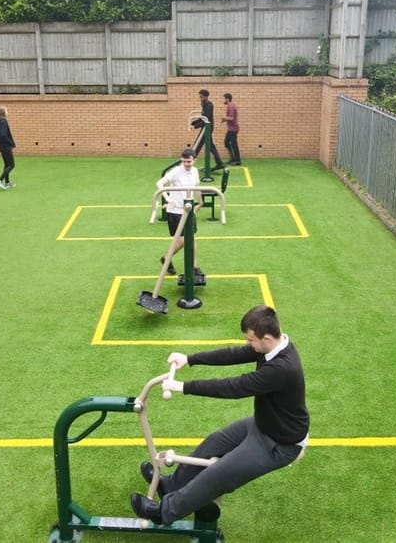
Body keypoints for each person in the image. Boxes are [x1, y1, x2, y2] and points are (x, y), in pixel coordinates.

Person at [130, 305, 309, 525]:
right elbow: (232, 354)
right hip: (264, 424)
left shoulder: (282, 368)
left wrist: (183, 386)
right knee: (213, 443)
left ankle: (164, 512)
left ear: (268, 337)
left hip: (279, 443)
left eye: (251, 340)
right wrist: (190, 358)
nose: (248, 344)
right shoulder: (273, 346)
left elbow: (234, 387)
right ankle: (171, 485)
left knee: (219, 474)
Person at [156, 148, 202, 276]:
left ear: (194, 160)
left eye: (188, 161)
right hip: (175, 211)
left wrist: (201, 202)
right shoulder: (176, 171)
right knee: (183, 240)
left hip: (189, 209)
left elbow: (196, 187)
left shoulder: (195, 171)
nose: (186, 164)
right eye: (184, 161)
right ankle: (166, 257)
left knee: (192, 238)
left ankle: (194, 267)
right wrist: (167, 198)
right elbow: (160, 183)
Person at [192, 89, 225, 171]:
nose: (200, 98)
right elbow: (202, 118)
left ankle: (189, 162)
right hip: (205, 127)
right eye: (199, 96)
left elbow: (205, 119)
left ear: (206, 97)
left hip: (207, 127)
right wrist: (193, 123)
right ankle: (219, 163)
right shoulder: (204, 105)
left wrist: (195, 126)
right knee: (210, 146)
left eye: (201, 97)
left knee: (198, 145)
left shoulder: (209, 105)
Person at [0, 105, 16, 189]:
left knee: (7, 164)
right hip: (5, 146)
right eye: (6, 110)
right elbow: (3, 134)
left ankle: (7, 182)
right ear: (3, 112)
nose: (7, 112)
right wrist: (10, 142)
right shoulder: (3, 121)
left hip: (0, 145)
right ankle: (0, 180)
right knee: (12, 165)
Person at [221, 92, 241, 166]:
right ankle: (232, 158)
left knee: (234, 144)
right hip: (231, 129)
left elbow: (232, 118)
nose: (223, 100)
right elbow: (230, 118)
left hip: (233, 129)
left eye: (224, 99)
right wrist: (225, 120)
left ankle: (237, 161)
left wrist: (224, 118)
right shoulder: (229, 106)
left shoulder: (231, 106)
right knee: (226, 142)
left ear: (227, 99)